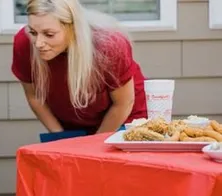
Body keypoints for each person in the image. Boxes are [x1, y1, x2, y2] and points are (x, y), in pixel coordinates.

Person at [11, 0, 147, 140]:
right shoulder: (24, 43)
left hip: (124, 118)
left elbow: (123, 103)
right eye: (33, 32)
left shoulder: (109, 46)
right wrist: (60, 135)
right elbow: (34, 96)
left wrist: (91, 144)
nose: (38, 43)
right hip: (72, 124)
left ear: (74, 28)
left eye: (49, 34)